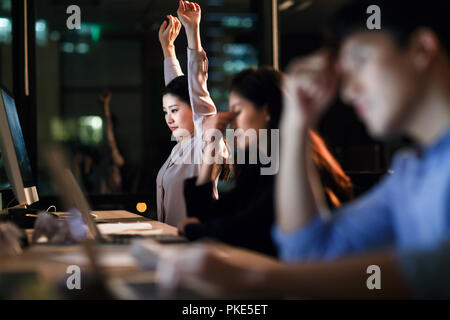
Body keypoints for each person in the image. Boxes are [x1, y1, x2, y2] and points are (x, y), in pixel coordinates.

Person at [149, 0, 450, 299]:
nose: (349, 90)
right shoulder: (412, 173)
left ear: (421, 49)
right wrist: (297, 120)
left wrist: (249, 277)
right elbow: (309, 251)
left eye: (361, 60)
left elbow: (435, 272)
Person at [177, 5, 353, 256]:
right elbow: (209, 214)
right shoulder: (259, 164)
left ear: (266, 111)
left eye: (238, 109)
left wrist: (198, 231)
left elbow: (247, 229)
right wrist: (210, 149)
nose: (231, 120)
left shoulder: (288, 162)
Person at [156, 1, 227, 227]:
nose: (169, 118)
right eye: (166, 112)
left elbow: (196, 88)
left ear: (194, 108)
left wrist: (193, 31)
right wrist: (168, 49)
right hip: (171, 245)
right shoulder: (181, 145)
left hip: (194, 246)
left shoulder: (203, 143)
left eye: (174, 111)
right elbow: (177, 92)